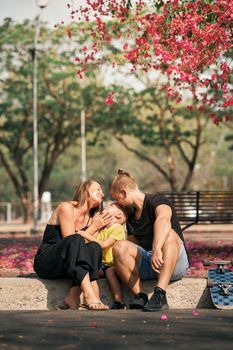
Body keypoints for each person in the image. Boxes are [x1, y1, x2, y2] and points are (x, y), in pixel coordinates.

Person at [110, 169, 189, 312]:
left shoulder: (157, 200)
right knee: (119, 247)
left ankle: (160, 294)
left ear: (124, 192)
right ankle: (140, 295)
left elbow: (163, 220)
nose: (118, 203)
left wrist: (157, 248)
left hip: (174, 262)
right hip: (151, 263)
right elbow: (131, 245)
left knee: (169, 234)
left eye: (117, 199)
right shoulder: (132, 215)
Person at [34, 180, 113, 311]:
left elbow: (87, 249)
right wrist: (93, 228)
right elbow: (71, 243)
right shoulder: (66, 208)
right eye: (98, 189)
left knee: (94, 247)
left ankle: (73, 295)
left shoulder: (93, 218)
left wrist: (96, 226)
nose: (102, 193)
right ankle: (89, 295)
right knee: (76, 240)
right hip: (48, 262)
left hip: (68, 267)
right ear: (85, 191)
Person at [78, 202, 127, 310]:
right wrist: (95, 226)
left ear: (118, 214)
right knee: (89, 270)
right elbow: (91, 242)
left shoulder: (117, 228)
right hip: (101, 265)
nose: (106, 206)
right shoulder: (102, 229)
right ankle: (94, 298)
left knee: (110, 272)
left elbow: (103, 245)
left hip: (113, 265)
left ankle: (119, 301)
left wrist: (85, 234)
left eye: (110, 206)